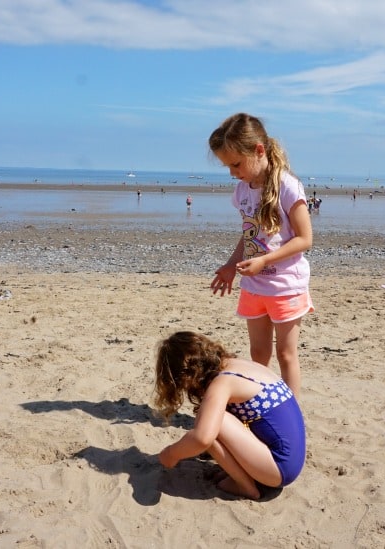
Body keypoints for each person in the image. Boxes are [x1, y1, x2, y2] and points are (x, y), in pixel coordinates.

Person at [208, 113, 313, 398]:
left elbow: (305, 238)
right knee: (259, 353)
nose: (232, 172)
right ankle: (262, 403)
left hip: (285, 285)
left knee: (285, 354)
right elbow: (250, 234)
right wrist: (231, 265)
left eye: (236, 164)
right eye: (227, 166)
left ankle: (289, 411)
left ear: (259, 150)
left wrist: (265, 261)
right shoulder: (242, 190)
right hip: (254, 285)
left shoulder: (288, 187)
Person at [154, 331, 306, 499]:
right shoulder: (238, 365)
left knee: (208, 424)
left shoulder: (222, 383)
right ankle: (246, 473)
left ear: (186, 376)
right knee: (212, 419)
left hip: (279, 469)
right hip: (292, 460)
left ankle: (245, 487)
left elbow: (201, 438)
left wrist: (170, 454)